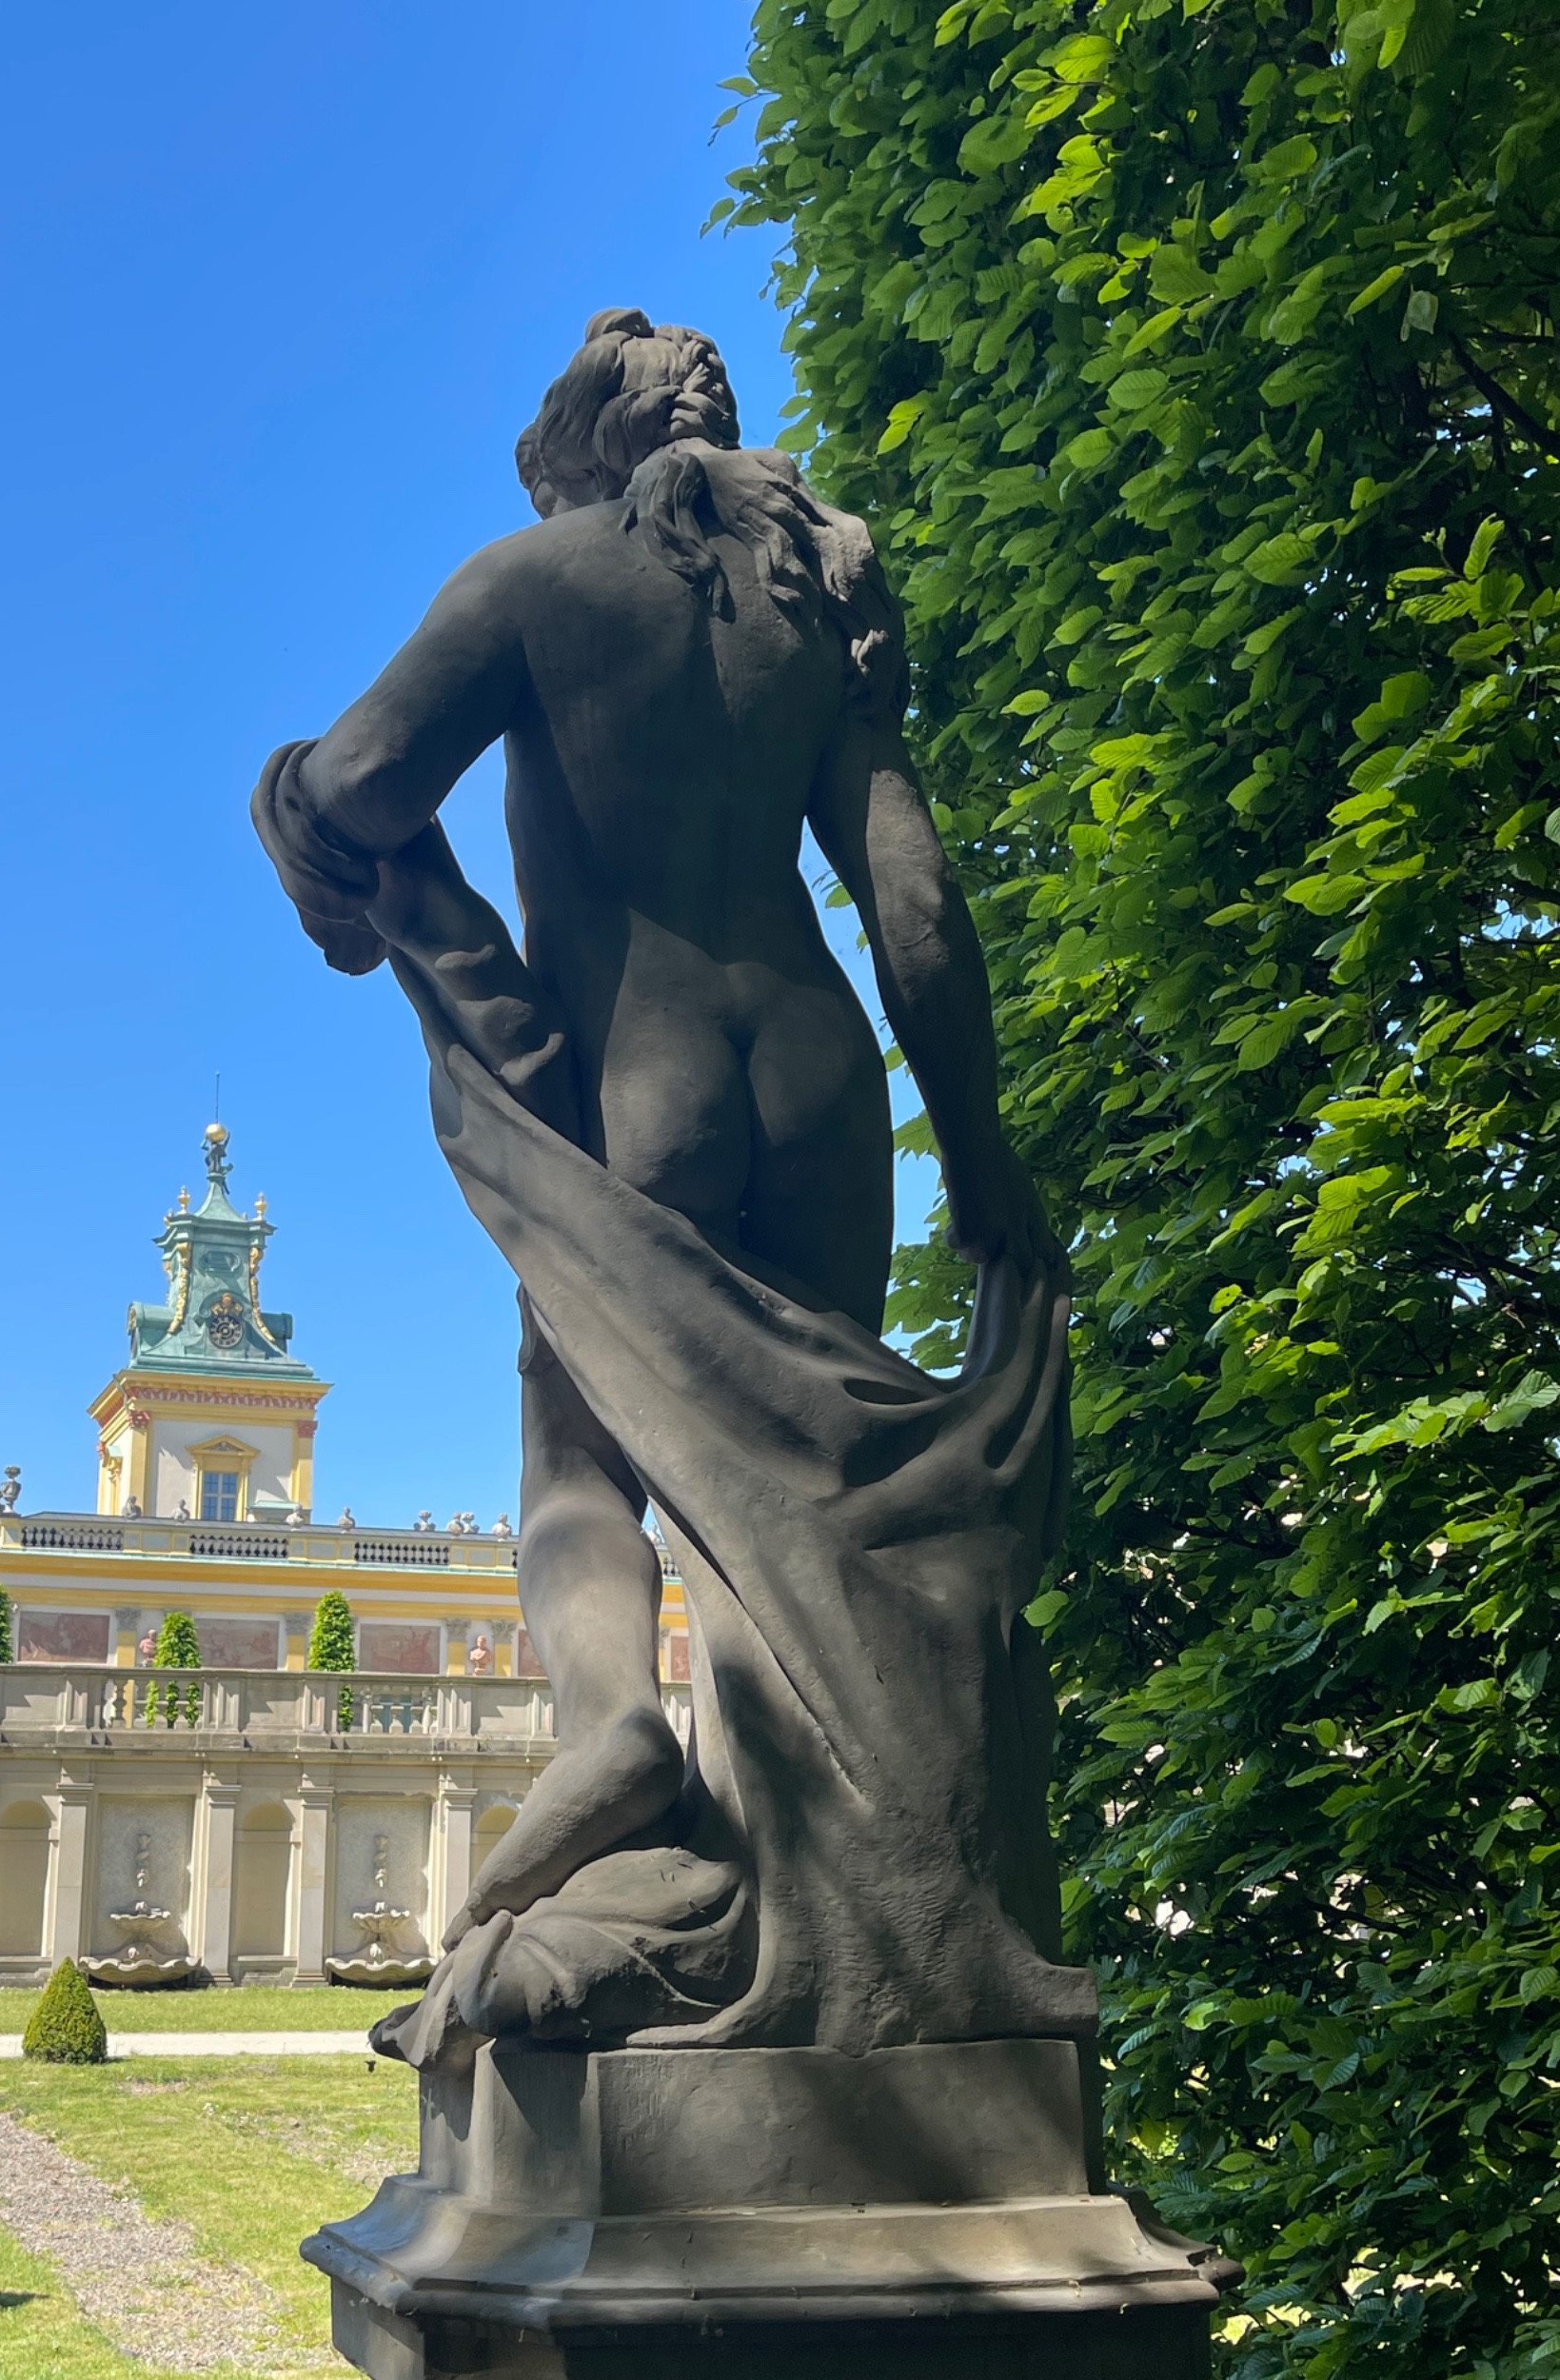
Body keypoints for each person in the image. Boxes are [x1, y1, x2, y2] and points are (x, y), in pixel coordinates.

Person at [255, 310, 1074, 2060]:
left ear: (577, 444)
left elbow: (371, 777)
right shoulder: (823, 602)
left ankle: (616, 1726)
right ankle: (853, 1927)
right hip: (826, 1083)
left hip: (646, 1092)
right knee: (804, 1516)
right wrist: (985, 1157)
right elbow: (911, 911)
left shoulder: (538, 578)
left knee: (582, 1466)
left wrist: (293, 808)